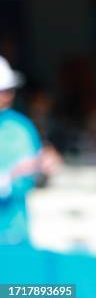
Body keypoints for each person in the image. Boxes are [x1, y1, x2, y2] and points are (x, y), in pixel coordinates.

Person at [0, 56, 43, 245]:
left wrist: (45, 169)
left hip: (17, 235)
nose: (7, 96)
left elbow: (34, 177)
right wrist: (10, 177)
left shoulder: (22, 127)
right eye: (2, 91)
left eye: (9, 90)